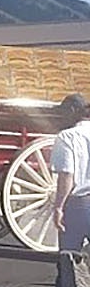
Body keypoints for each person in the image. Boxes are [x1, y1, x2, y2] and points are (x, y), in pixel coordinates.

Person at [53, 93, 90, 255]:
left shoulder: (67, 136)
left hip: (79, 205)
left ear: (73, 110)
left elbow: (67, 175)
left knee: (69, 258)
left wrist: (58, 207)